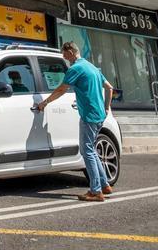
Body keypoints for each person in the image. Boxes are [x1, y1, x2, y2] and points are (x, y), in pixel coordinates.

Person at [37, 42, 114, 202]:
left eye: (65, 55)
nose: (64, 58)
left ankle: (95, 191)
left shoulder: (76, 68)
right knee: (91, 150)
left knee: (87, 152)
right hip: (99, 115)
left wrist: (45, 102)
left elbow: (61, 89)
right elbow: (109, 87)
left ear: (71, 52)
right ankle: (104, 184)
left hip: (89, 116)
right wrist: (106, 107)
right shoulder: (92, 67)